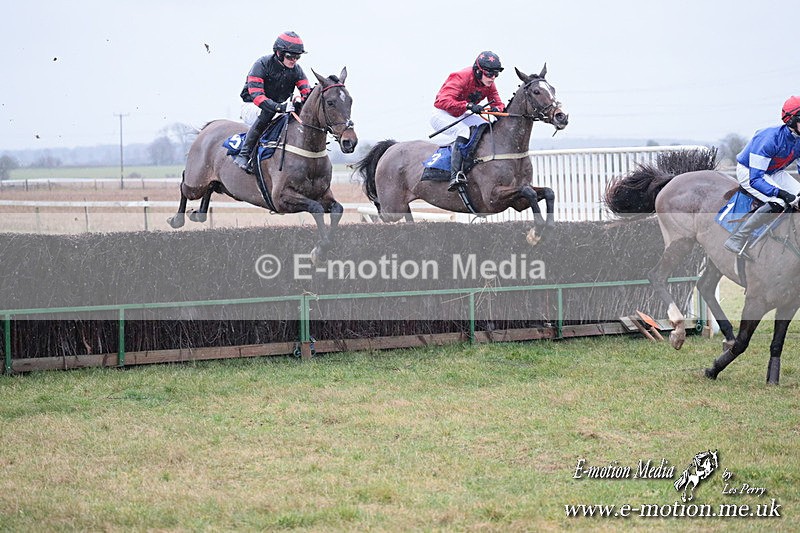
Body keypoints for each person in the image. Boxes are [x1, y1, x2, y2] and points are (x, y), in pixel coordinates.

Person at [723, 96, 800, 260]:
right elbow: (756, 179)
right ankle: (738, 237)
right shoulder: (769, 139)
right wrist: (784, 194)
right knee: (778, 201)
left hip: (775, 172)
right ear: (791, 120)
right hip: (749, 171)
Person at [234, 31, 312, 173]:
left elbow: (307, 92)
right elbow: (258, 97)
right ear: (278, 53)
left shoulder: (296, 70)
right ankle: (244, 155)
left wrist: (305, 100)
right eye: (290, 56)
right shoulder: (261, 64)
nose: (294, 60)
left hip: (278, 108)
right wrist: (279, 107)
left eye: (297, 57)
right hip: (252, 105)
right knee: (268, 112)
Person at [431, 51, 506, 191]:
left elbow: (496, 102)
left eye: (496, 74)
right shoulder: (461, 77)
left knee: (485, 125)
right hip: (442, 114)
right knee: (463, 130)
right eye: (489, 74)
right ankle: (455, 175)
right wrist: (468, 105)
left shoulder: (490, 83)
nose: (493, 78)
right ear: (478, 71)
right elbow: (441, 101)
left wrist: (500, 110)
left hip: (461, 113)